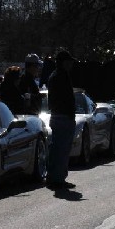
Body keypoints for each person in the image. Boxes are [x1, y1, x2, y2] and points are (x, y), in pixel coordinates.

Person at [46, 50, 77, 189]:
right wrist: (71, 113)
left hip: (56, 115)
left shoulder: (53, 76)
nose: (71, 64)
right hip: (64, 116)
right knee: (62, 149)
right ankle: (58, 179)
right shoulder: (62, 76)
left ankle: (53, 176)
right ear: (63, 62)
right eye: (69, 61)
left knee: (56, 148)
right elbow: (66, 99)